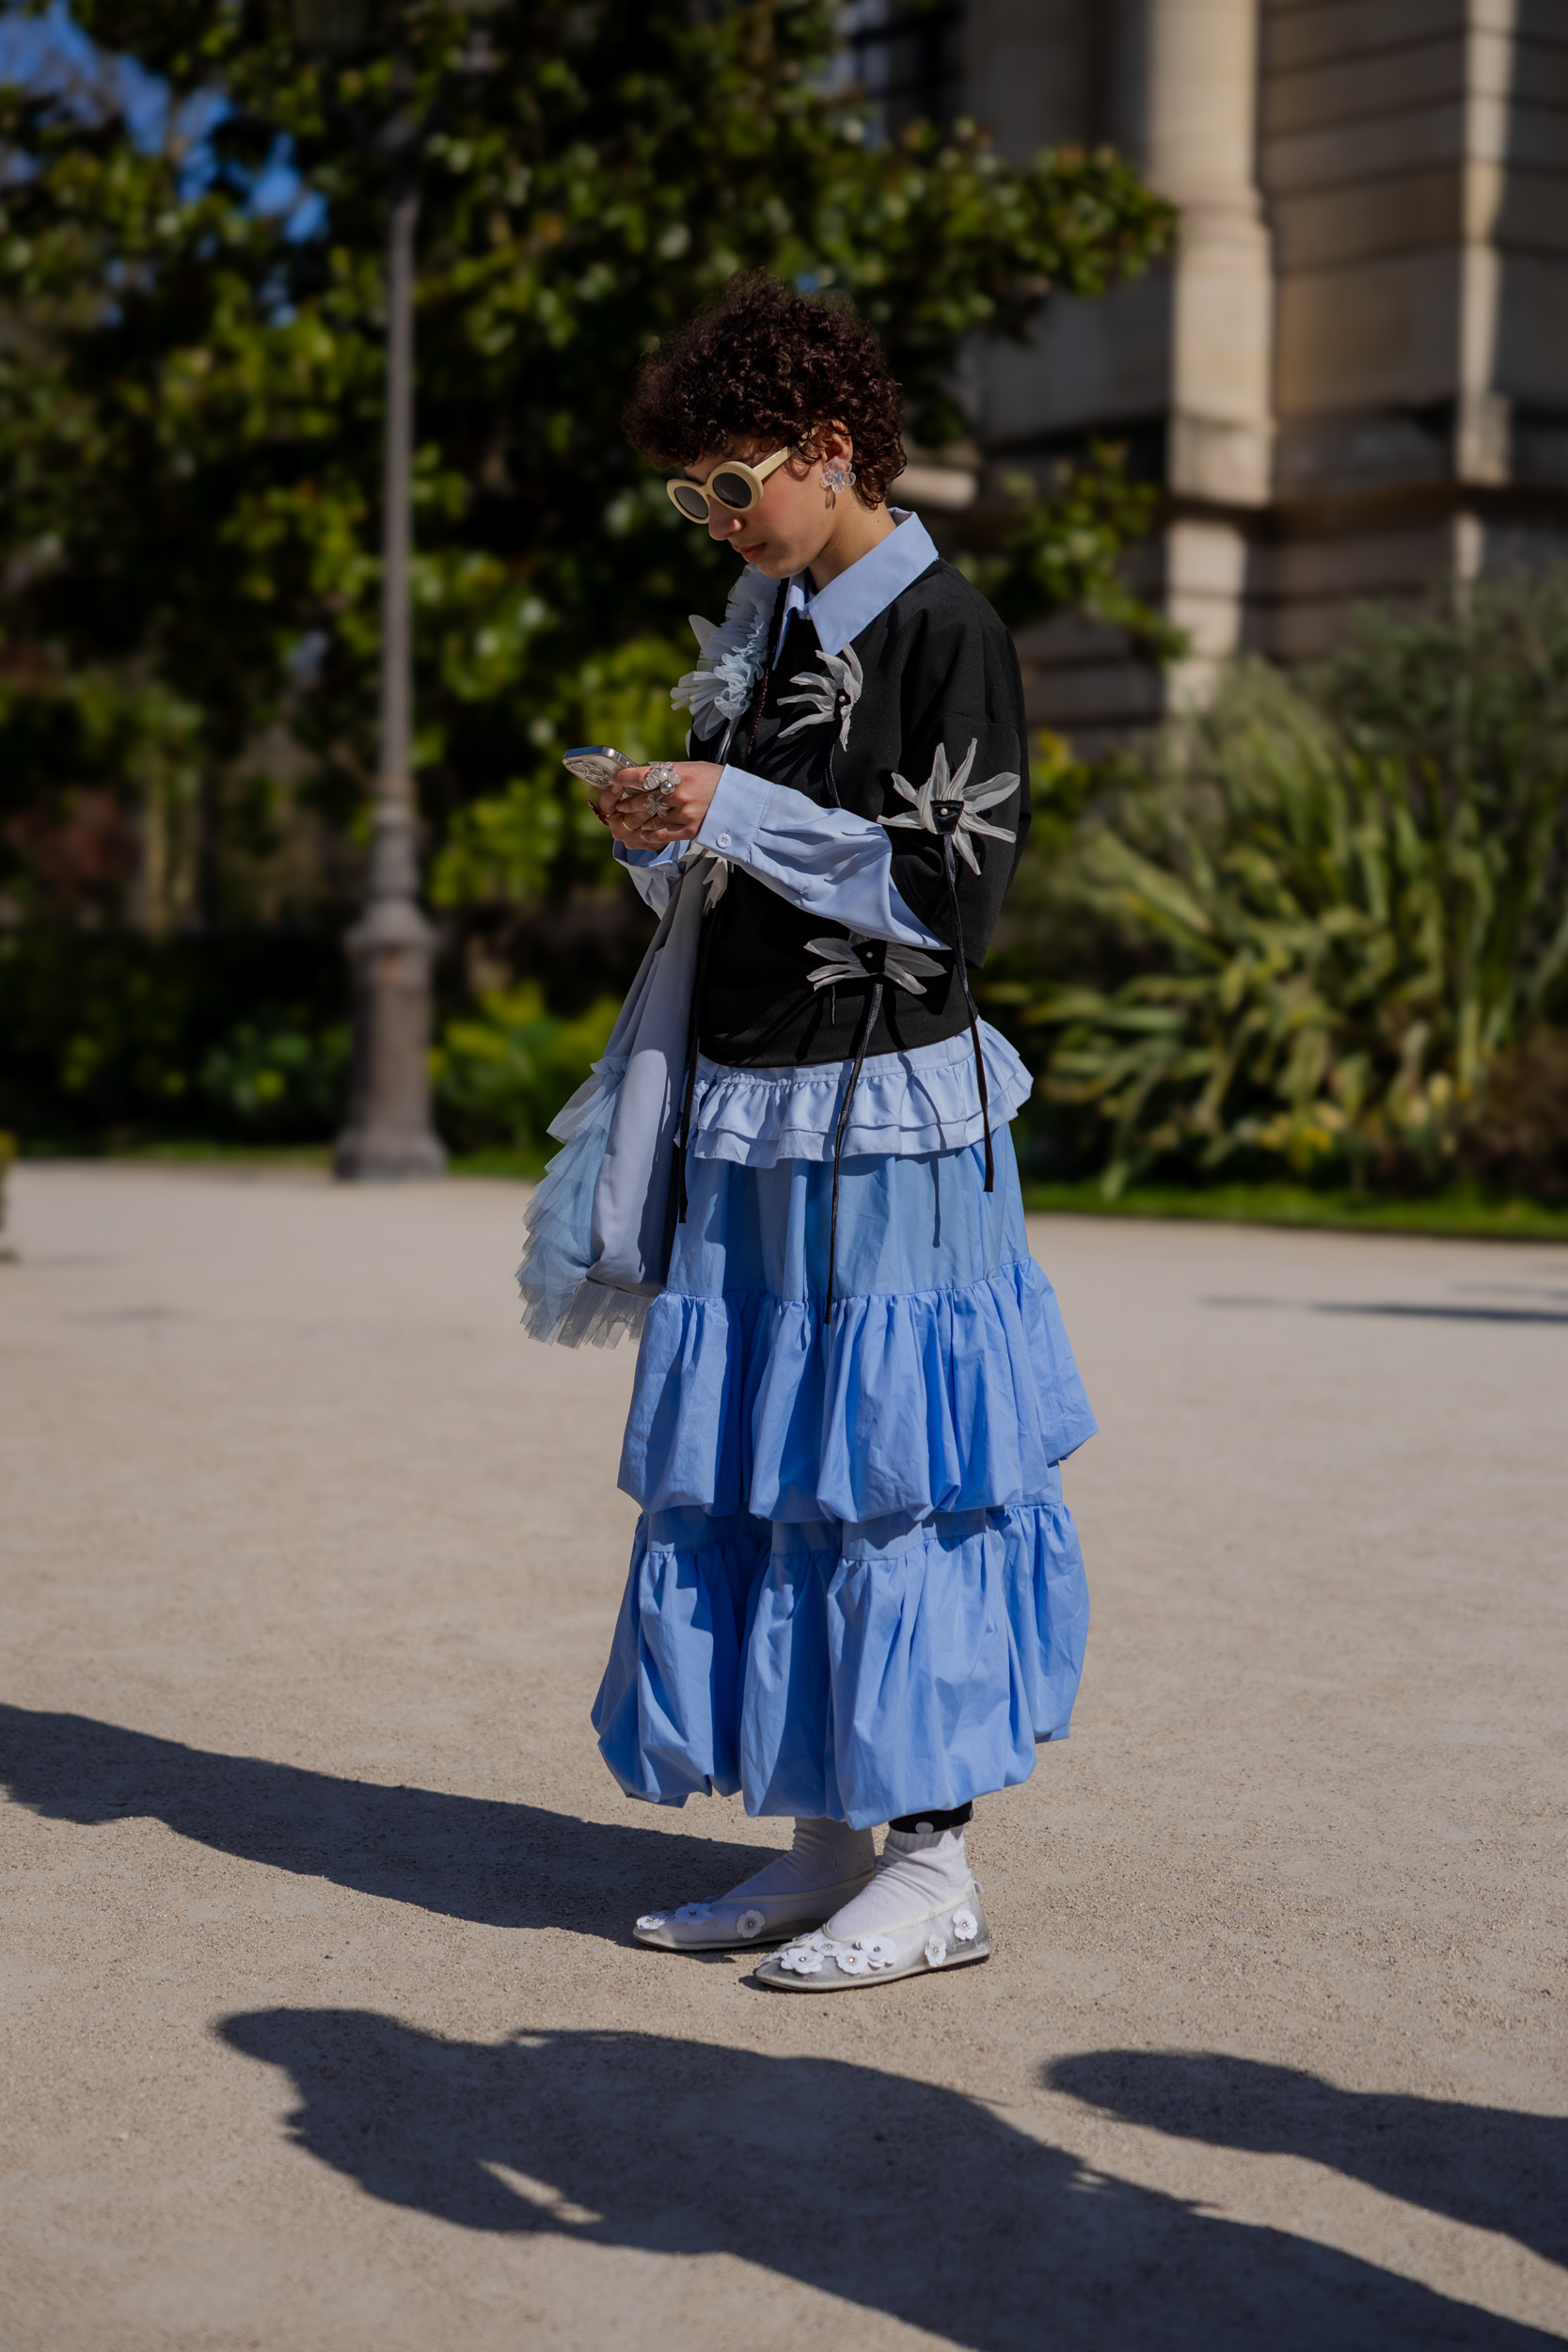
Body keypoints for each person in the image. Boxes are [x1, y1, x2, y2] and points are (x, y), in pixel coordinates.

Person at [526, 276, 1094, 1992]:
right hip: (761, 1103)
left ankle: (935, 1869)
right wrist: (659, 827)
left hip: (890, 1104)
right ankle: (830, 1840)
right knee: (782, 1468)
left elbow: (950, 901)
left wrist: (741, 803)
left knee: (890, 1468)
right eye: (691, 495)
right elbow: (744, 875)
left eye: (731, 484)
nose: (715, 518)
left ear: (831, 450)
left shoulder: (950, 633)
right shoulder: (763, 624)